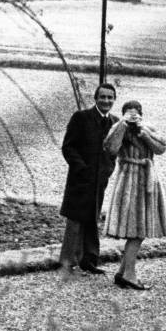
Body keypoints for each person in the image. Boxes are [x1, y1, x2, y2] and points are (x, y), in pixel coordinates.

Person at [103, 100, 166, 290]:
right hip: (128, 182)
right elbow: (111, 148)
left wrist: (144, 132)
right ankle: (130, 275)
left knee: (138, 230)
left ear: (142, 113)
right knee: (136, 231)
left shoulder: (147, 128)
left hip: (146, 179)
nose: (133, 116)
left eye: (136, 112)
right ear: (123, 113)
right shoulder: (118, 128)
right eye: (129, 112)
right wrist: (123, 125)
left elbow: (161, 148)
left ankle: (123, 272)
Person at [59, 83, 119, 274]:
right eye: (103, 97)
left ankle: (89, 260)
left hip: (99, 180)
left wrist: (107, 170)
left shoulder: (115, 124)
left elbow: (114, 151)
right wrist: (81, 169)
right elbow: (68, 147)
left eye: (110, 98)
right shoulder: (81, 118)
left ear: (114, 100)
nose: (106, 101)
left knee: (92, 217)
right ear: (96, 98)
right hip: (80, 179)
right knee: (75, 218)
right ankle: (67, 262)